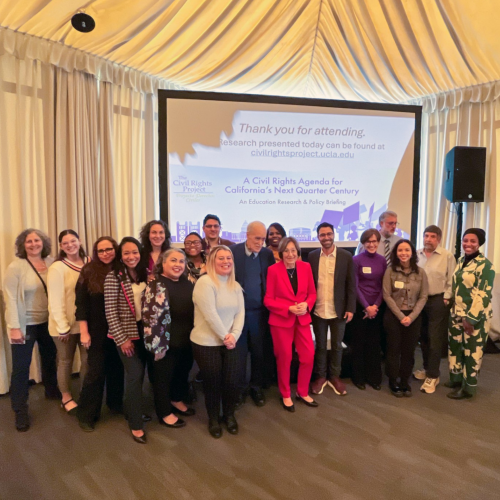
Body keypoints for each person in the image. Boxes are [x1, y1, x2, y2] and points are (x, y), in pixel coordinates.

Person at [4, 229, 59, 431]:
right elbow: (9, 298)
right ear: (23, 245)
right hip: (25, 323)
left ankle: (52, 390)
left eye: (37, 240)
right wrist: (14, 327)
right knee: (21, 367)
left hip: (48, 322)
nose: (34, 244)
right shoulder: (15, 267)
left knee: (50, 357)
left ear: (43, 243)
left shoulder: (53, 262)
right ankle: (20, 409)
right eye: (29, 241)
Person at [191, 245, 244, 438]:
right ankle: (213, 418)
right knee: (213, 383)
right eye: (220, 258)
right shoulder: (205, 282)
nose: (226, 261)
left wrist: (234, 336)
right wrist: (226, 336)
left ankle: (229, 415)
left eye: (228, 258)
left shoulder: (235, 285)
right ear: (212, 262)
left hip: (230, 342)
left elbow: (240, 314)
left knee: (231, 382)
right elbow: (210, 314)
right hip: (206, 343)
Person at [142, 249, 195, 429]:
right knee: (162, 379)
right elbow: (151, 319)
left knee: (182, 373)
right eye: (173, 260)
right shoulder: (156, 285)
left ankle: (176, 399)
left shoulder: (188, 283)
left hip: (186, 341)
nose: (178, 265)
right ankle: (164, 412)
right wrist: (158, 347)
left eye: (181, 261)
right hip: (165, 343)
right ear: (162, 264)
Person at [76, 237, 124, 431]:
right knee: (95, 374)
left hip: (119, 330)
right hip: (96, 331)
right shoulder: (88, 271)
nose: (106, 253)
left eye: (109, 249)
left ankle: (115, 404)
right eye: (101, 250)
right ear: (96, 252)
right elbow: (81, 305)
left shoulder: (122, 270)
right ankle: (86, 414)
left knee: (117, 370)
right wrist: (84, 332)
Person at [264, 237, 318, 412]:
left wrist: (307, 304)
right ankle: (286, 394)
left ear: (298, 251)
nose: (290, 254)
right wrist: (288, 308)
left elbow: (312, 293)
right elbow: (268, 300)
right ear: (281, 252)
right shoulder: (273, 270)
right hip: (281, 321)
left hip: (302, 319)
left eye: (293, 250)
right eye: (286, 250)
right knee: (285, 358)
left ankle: (302, 391)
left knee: (308, 356)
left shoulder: (306, 267)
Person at [104, 237, 149, 443]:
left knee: (140, 377)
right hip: (125, 335)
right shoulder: (114, 277)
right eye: (127, 253)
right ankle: (136, 425)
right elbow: (110, 312)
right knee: (134, 374)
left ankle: (134, 411)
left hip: (144, 333)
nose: (132, 257)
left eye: (135, 252)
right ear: (121, 256)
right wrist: (122, 340)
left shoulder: (145, 274)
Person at [231, 221, 276, 408]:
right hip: (238, 314)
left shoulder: (267, 254)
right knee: (239, 354)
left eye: (263, 238)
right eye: (257, 238)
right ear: (247, 235)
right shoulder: (233, 252)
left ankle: (256, 387)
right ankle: (240, 389)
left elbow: (272, 281)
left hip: (260, 314)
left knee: (259, 352)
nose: (260, 242)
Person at [447, 228, 495, 400]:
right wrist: (447, 299)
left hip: (474, 318)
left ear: (479, 243)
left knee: (471, 352)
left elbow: (483, 294)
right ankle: (456, 378)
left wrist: (471, 319)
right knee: (455, 348)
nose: (468, 244)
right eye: (465, 240)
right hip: (457, 313)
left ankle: (468, 388)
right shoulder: (461, 261)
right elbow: (456, 285)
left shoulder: (486, 266)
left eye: (472, 241)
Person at [309, 223, 356, 396]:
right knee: (320, 346)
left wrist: (351, 308)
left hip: (339, 310)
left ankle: (335, 376)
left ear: (334, 234)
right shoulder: (313, 257)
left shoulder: (346, 256)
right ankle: (320, 377)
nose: (326, 237)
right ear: (318, 237)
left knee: (337, 346)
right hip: (318, 310)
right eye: (322, 235)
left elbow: (351, 284)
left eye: (329, 234)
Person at [47, 230, 90, 416]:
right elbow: (54, 300)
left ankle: (85, 393)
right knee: (65, 361)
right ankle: (65, 397)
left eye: (73, 241)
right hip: (63, 326)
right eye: (65, 243)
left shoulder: (89, 262)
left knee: (87, 361)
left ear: (79, 241)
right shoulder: (58, 267)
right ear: (61, 246)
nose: (70, 245)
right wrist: (63, 327)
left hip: (84, 324)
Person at [383, 239, 428, 397]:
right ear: (396, 253)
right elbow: (387, 295)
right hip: (394, 316)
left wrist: (411, 316)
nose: (403, 253)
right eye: (400, 250)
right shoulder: (390, 271)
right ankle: (393, 380)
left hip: (413, 317)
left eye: (407, 250)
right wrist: (402, 316)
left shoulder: (420, 272)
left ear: (412, 252)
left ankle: (405, 381)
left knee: (409, 351)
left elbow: (423, 297)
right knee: (393, 349)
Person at [413, 225, 456, 394]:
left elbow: (452, 278)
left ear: (438, 239)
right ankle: (426, 368)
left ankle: (433, 374)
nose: (428, 239)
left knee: (435, 337)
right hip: (419, 301)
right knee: (422, 337)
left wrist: (447, 297)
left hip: (438, 300)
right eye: (426, 236)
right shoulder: (416, 254)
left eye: (432, 236)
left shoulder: (447, 256)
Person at [348, 229, 387, 390]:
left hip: (377, 309)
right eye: (368, 241)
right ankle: (359, 377)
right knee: (358, 342)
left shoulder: (382, 260)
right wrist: (366, 307)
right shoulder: (356, 260)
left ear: (378, 242)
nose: (371, 244)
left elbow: (383, 286)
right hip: (360, 308)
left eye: (374, 241)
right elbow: (355, 286)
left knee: (374, 344)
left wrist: (375, 306)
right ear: (363, 243)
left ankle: (374, 377)